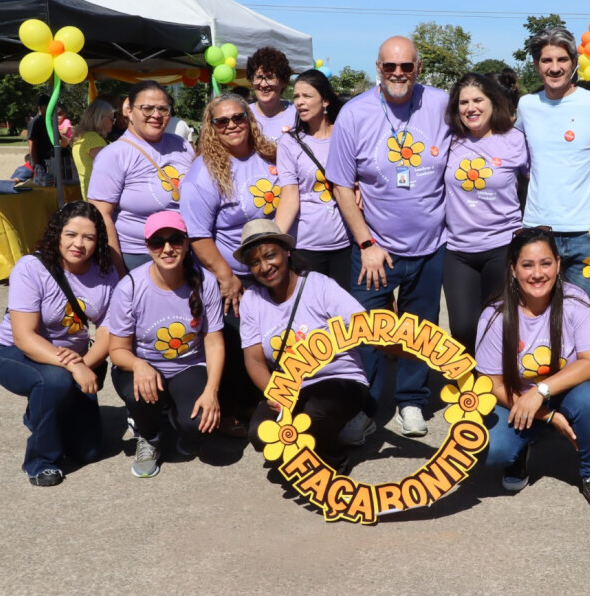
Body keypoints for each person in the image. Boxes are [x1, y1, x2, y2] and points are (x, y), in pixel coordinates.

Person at [325, 36, 451, 439]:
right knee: (365, 331)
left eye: (407, 66)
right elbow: (341, 185)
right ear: (378, 68)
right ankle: (364, 407)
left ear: (418, 68)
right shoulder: (354, 113)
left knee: (419, 327)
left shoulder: (441, 104)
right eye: (390, 67)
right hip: (375, 247)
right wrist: (366, 244)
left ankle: (411, 400)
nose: (399, 73)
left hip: (431, 245)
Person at [475, 226, 590, 516]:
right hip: (516, 398)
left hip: (565, 393)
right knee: (491, 450)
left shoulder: (576, 301)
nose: (537, 273)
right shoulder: (495, 315)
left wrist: (541, 391)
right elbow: (491, 383)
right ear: (513, 269)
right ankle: (519, 452)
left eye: (545, 263)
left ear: (558, 264)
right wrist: (547, 415)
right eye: (527, 265)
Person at [0, 202, 119, 487]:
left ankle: (41, 411)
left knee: (89, 452)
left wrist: (85, 364)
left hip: (74, 360)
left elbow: (109, 331)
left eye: (89, 237)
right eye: (71, 234)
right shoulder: (31, 268)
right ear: (57, 234)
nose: (79, 244)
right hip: (14, 352)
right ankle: (40, 462)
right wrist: (75, 368)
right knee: (55, 381)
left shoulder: (106, 272)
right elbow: (24, 336)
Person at [179, 92, 279, 432]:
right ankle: (238, 409)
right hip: (234, 275)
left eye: (238, 117)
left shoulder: (269, 154)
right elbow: (198, 235)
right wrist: (226, 277)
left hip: (272, 269)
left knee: (273, 339)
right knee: (239, 344)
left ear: (249, 120)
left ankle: (269, 400)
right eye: (221, 121)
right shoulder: (203, 173)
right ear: (211, 127)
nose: (232, 125)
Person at [237, 219, 369, 469]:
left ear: (286, 252)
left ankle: (335, 461)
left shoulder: (319, 285)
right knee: (260, 434)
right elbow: (254, 359)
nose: (264, 267)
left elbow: (363, 325)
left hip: (339, 379)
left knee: (313, 417)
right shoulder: (252, 300)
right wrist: (275, 393)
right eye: (255, 262)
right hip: (291, 386)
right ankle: (318, 439)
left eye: (270, 256)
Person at [106, 211, 224, 478]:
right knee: (139, 393)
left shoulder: (205, 281)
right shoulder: (130, 287)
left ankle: (175, 417)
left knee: (200, 427)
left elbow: (214, 342)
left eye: (175, 240)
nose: (168, 248)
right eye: (158, 242)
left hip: (189, 366)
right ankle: (148, 435)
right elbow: (117, 350)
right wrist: (139, 365)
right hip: (144, 366)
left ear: (186, 242)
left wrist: (212, 391)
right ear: (147, 247)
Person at [516, 27, 590, 298]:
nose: (555, 68)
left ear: (575, 62)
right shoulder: (527, 105)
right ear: (536, 65)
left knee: (587, 314)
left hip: (588, 233)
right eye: (547, 60)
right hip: (539, 229)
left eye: (562, 60)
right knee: (540, 314)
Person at [442, 71, 528, 358]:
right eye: (463, 102)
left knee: (499, 326)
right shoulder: (450, 141)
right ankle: (469, 382)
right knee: (463, 328)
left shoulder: (515, 140)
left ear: (493, 102)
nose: (471, 108)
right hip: (458, 250)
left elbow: (536, 184)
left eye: (478, 100)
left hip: (502, 246)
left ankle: (499, 381)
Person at [88, 81, 195, 275]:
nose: (156, 115)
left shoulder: (182, 145)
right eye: (147, 108)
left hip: (185, 252)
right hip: (138, 258)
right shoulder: (114, 155)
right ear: (129, 111)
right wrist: (119, 271)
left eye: (163, 109)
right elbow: (101, 215)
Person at [274, 69, 352, 290]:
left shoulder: (346, 135)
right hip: (306, 247)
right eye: (296, 96)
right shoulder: (289, 143)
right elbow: (290, 197)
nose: (299, 102)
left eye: (307, 96)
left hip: (346, 245)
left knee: (345, 310)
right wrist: (275, 241)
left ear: (325, 100)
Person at [246, 47, 296, 141]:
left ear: (284, 82)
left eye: (270, 77)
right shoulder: (243, 115)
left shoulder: (297, 114)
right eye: (258, 77)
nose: (263, 84)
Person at [71, 98, 115, 196]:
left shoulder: (83, 136)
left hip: (92, 193)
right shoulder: (92, 138)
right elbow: (111, 166)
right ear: (100, 118)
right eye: (111, 119)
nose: (113, 122)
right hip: (101, 195)